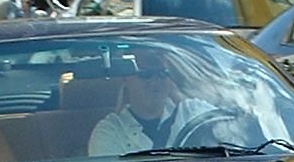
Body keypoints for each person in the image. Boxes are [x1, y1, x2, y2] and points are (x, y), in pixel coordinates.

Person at [87, 51, 215, 156]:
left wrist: (178, 97)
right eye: (146, 74)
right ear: (125, 79)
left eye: (162, 74)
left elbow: (229, 132)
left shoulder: (193, 112)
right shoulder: (110, 131)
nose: (155, 81)